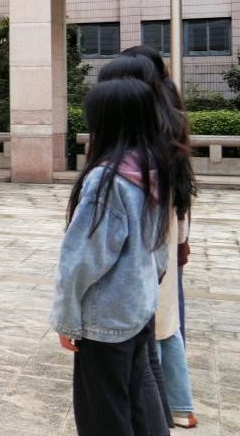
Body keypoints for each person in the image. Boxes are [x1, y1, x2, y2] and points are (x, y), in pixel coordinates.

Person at [50, 77, 174, 436]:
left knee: (103, 415)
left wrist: (67, 320)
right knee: (137, 405)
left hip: (105, 319)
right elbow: (160, 248)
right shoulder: (154, 169)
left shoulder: (107, 180)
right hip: (138, 307)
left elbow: (81, 261)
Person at [101, 53, 199, 429]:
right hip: (165, 230)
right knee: (165, 317)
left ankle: (168, 406)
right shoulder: (166, 112)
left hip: (155, 231)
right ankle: (176, 404)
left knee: (157, 322)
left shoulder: (147, 123)